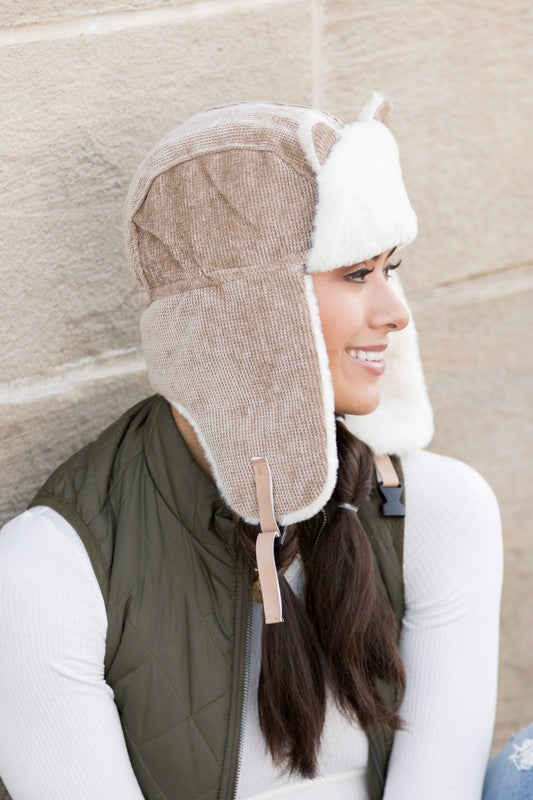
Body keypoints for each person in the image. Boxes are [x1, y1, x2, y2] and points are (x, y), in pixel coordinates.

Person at [0, 92, 511, 799]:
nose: (394, 312)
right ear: (251, 311)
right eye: (356, 274)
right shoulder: (49, 573)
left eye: (390, 268)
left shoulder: (436, 512)